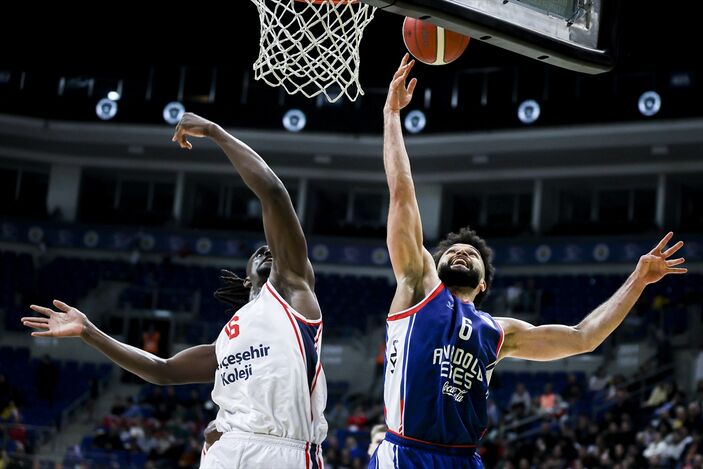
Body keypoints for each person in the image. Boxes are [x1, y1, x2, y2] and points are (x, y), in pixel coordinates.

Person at [370, 54, 688, 469]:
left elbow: (582, 338)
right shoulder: (416, 285)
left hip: (463, 460)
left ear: (483, 284)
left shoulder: (499, 332)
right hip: (406, 452)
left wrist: (638, 279)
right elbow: (402, 191)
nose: (462, 253)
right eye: (453, 251)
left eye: (473, 256)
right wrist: (391, 114)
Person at [22, 113, 327, 468]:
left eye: (271, 250)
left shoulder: (292, 289)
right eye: (257, 250)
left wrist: (215, 131)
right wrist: (90, 332)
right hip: (226, 451)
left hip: (284, 450)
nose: (266, 250)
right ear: (247, 280)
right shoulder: (227, 339)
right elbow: (162, 370)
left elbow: (272, 192)